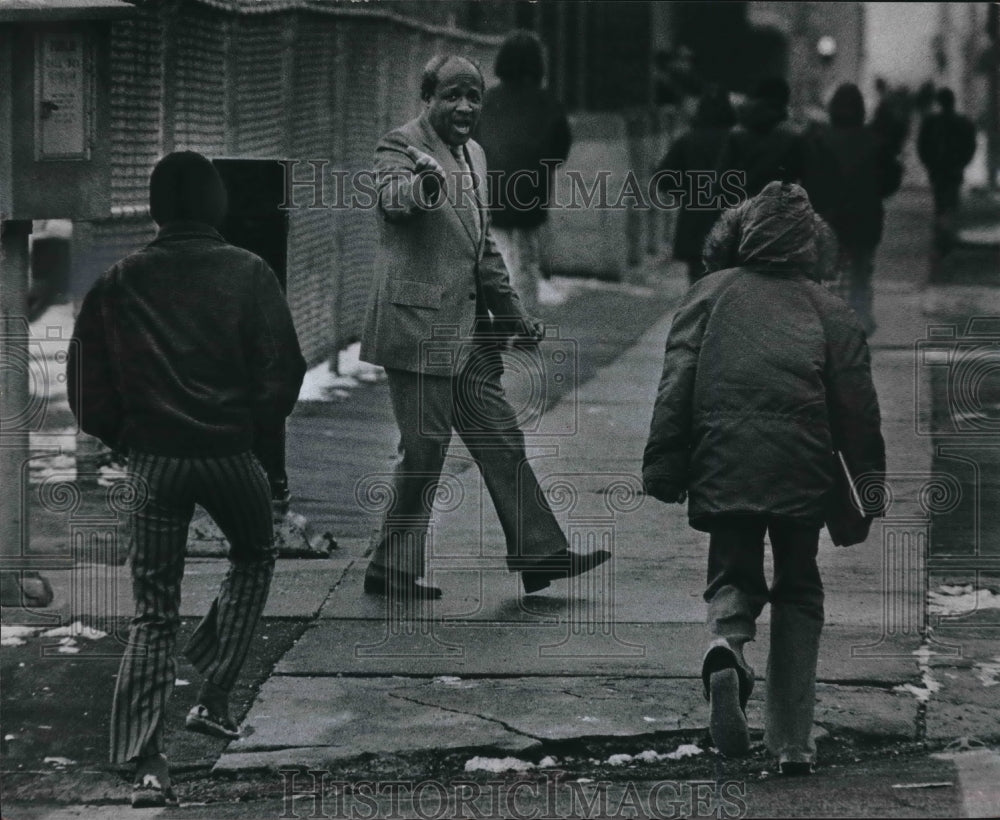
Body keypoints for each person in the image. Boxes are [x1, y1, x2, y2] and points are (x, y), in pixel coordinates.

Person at [67, 151, 306, 808]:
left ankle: (146, 760)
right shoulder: (249, 272)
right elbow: (282, 370)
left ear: (154, 209)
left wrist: (127, 436)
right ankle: (217, 689)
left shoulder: (121, 280)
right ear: (216, 205)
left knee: (152, 611)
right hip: (230, 454)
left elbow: (86, 386)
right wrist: (256, 436)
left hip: (154, 462)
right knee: (256, 551)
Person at [642, 181, 886, 773]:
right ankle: (792, 740)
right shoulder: (830, 311)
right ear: (812, 245)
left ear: (743, 234)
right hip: (803, 468)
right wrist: (869, 483)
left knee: (733, 571)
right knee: (799, 586)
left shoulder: (708, 295)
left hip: (724, 460)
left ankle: (726, 649)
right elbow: (856, 407)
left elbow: (678, 387)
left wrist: (665, 463)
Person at [359, 54, 610, 601]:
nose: (466, 106)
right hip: (419, 323)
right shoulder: (400, 146)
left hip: (468, 327)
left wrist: (515, 313)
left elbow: (482, 246)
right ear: (428, 98)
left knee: (500, 435)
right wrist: (423, 188)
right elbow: (394, 199)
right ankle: (392, 569)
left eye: (473, 95)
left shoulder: (474, 153)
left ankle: (540, 554)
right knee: (425, 449)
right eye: (452, 95)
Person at [474, 30, 572, 314]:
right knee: (527, 260)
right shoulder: (548, 103)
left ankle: (499, 317)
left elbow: (474, 142)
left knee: (499, 256)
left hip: (493, 189)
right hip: (531, 190)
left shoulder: (487, 101)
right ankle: (524, 320)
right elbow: (559, 149)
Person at [714, 77, 840, 226]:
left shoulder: (736, 135)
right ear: (784, 101)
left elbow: (720, 183)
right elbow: (810, 184)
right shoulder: (794, 139)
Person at [820, 83, 893, 335]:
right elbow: (888, 182)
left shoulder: (817, 139)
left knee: (828, 274)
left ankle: (829, 322)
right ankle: (859, 319)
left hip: (826, 217)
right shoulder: (875, 142)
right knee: (861, 272)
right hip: (865, 217)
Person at [655, 85, 737, 285]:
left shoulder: (688, 140)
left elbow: (663, 177)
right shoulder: (738, 140)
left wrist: (685, 193)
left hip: (695, 224)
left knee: (697, 284)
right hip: (732, 224)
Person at [917, 87, 978, 256]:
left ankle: (941, 235)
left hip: (937, 169)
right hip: (954, 169)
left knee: (940, 201)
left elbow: (922, 146)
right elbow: (971, 146)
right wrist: (963, 163)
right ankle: (947, 234)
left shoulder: (931, 122)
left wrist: (929, 163)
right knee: (951, 202)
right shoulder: (963, 122)